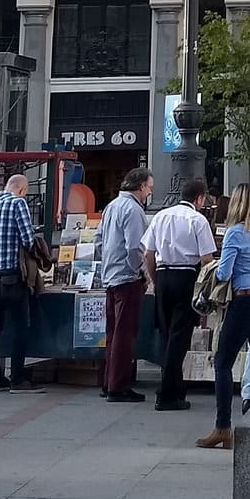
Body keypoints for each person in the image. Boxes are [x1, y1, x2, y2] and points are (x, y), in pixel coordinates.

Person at [198, 186, 250, 450]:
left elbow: (224, 274)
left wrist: (214, 265)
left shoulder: (235, 233)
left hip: (245, 300)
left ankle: (222, 427)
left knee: (223, 362)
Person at [143, 178, 216, 412]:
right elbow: (206, 259)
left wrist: (155, 280)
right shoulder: (198, 219)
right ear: (200, 198)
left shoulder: (161, 216)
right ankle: (167, 393)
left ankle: (174, 387)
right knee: (179, 337)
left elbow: (148, 254)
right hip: (186, 277)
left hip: (163, 277)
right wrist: (207, 289)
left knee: (167, 335)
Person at [0, 173, 46, 395]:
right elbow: (27, 238)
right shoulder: (18, 204)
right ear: (22, 189)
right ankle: (17, 379)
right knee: (19, 327)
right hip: (14, 276)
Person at [97, 166, 153, 403]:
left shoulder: (112, 206)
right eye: (149, 188)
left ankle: (109, 381)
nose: (150, 193)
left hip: (111, 275)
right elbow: (135, 247)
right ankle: (118, 386)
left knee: (112, 333)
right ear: (140, 187)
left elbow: (99, 240)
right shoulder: (133, 209)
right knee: (124, 334)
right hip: (127, 278)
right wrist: (141, 272)